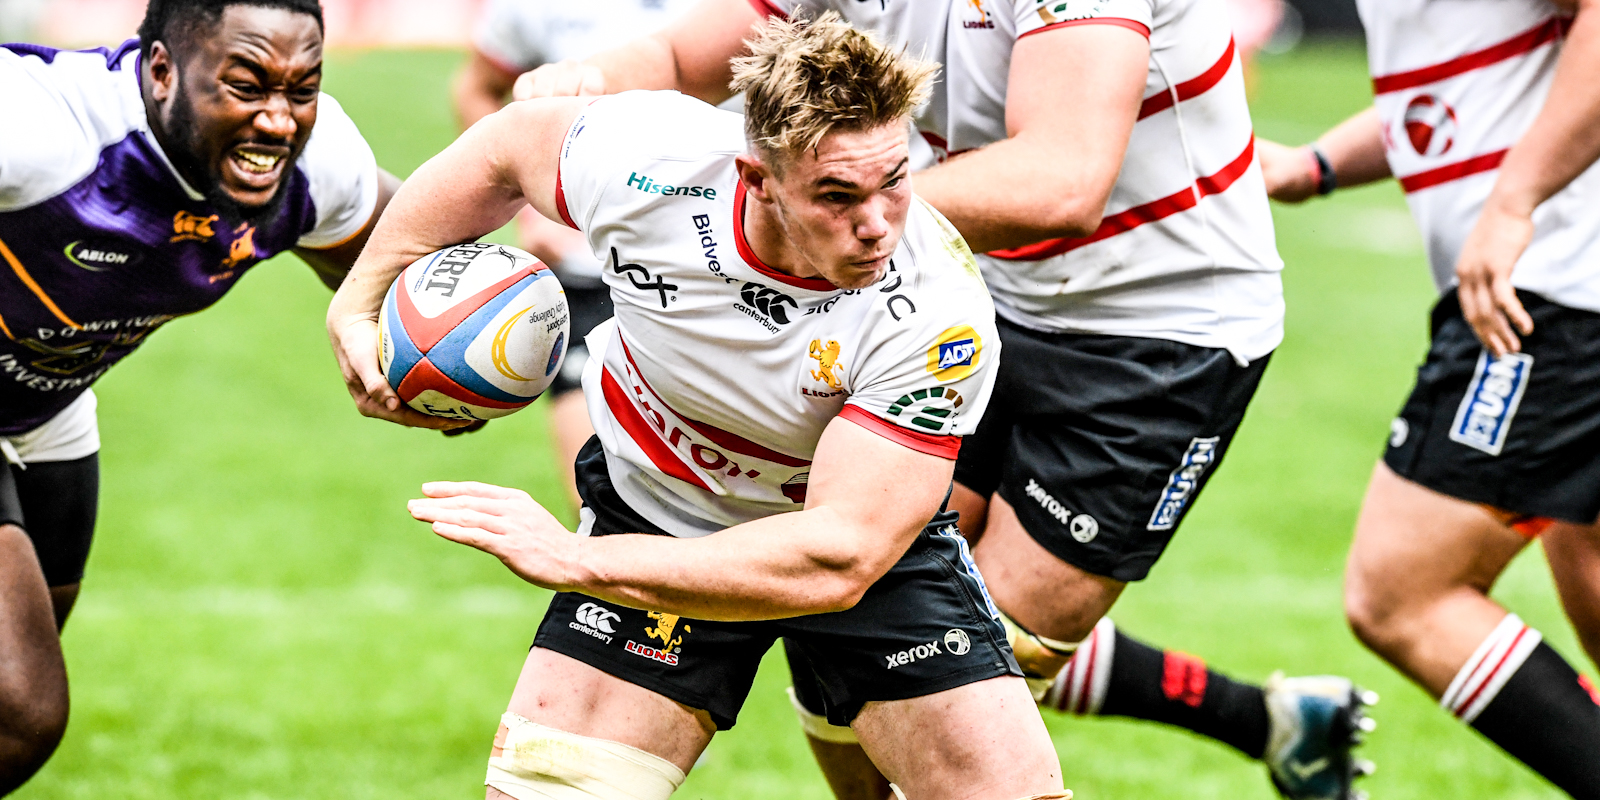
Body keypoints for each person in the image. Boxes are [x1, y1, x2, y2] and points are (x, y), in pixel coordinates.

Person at [511, 1, 1371, 798]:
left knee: (969, 647)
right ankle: (1269, 720)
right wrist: (583, 88)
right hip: (966, 297)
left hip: (1154, 332)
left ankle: (1255, 718)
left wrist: (806, 212)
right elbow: (680, 54)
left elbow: (1062, 180)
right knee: (852, 593)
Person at [329, 15, 1069, 800]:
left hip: (860, 543)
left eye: (895, 179)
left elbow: (840, 553)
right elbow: (503, 147)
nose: (877, 225)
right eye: (836, 194)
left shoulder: (937, 309)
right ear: (756, 178)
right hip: (660, 508)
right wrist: (358, 299)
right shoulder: (652, 163)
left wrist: (577, 561)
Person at [0, 0, 408, 792]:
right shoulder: (43, 127)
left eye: (303, 88)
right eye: (246, 86)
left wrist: (452, 370)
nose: (279, 120)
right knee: (19, 708)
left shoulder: (319, 166)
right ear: (160, 70)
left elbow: (410, 271)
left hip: (49, 410)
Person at [1257, 0, 1600, 796]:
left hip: (1554, 291)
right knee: (1584, 555)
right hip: (1558, 283)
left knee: (1403, 591)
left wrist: (1513, 201)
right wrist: (1316, 166)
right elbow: (1455, 96)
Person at [451, 0, 729, 509]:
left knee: (745, 510)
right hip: (587, 271)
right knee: (604, 505)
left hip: (725, 276)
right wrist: (528, 205)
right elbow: (479, 88)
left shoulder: (758, 11)